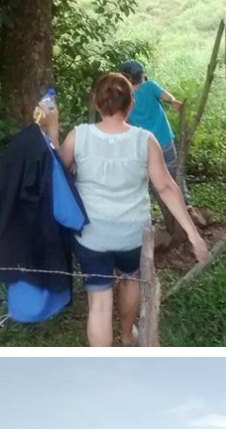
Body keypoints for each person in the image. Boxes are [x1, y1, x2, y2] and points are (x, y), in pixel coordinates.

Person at [42, 74, 209, 346]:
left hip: (91, 235)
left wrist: (52, 128)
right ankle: (126, 336)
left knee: (99, 302)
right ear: (130, 105)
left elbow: (57, 173)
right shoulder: (145, 140)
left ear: (96, 103)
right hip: (132, 235)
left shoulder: (79, 136)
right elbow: (167, 188)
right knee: (131, 280)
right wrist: (194, 235)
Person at [117, 60, 189, 207]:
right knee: (174, 170)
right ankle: (185, 202)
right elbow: (166, 97)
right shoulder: (150, 86)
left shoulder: (124, 96)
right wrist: (174, 101)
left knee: (149, 176)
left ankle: (163, 205)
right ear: (142, 75)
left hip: (144, 144)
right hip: (164, 139)